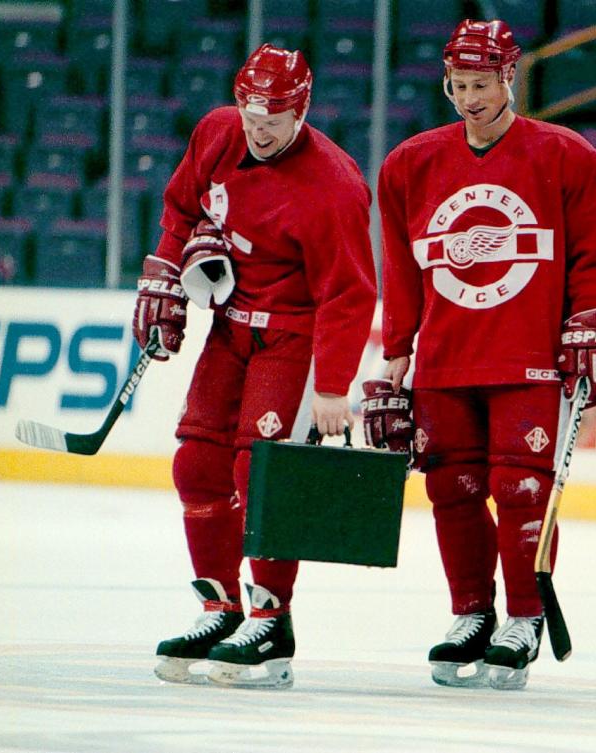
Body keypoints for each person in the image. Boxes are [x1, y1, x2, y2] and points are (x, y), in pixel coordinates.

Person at [362, 19, 596, 691]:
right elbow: (403, 264)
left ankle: (524, 615)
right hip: (447, 357)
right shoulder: (410, 164)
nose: (470, 99)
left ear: (511, 78)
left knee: (520, 487)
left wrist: (588, 323)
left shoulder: (566, 156)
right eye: (459, 85)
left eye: (482, 84)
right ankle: (470, 612)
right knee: (452, 486)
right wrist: (397, 348)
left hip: (530, 356)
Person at [134, 43, 377, 689]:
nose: (258, 127)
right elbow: (183, 206)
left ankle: (272, 620)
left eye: (273, 116)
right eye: (250, 110)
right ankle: (220, 609)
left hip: (293, 337)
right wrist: (164, 270)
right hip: (230, 324)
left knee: (259, 472)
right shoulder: (218, 132)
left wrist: (332, 384)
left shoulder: (335, 185)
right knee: (198, 461)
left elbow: (351, 292)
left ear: (301, 110)